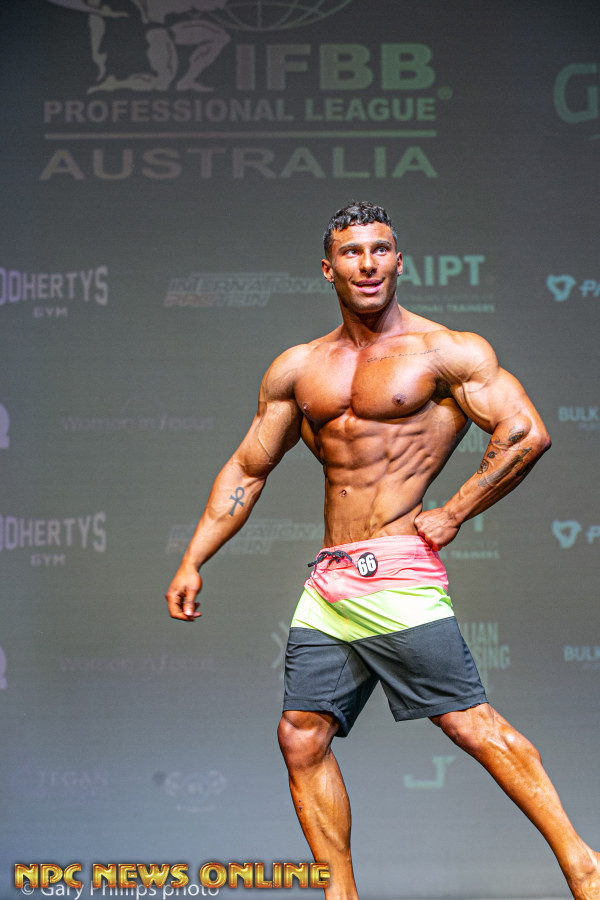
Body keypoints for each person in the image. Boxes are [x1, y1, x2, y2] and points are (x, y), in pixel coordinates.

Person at [166, 201, 600, 899]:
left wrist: (454, 511)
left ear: (399, 261)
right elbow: (248, 468)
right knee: (301, 735)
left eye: (379, 250)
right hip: (330, 580)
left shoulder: (445, 351)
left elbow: (525, 431)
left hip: (395, 569)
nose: (366, 264)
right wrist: (194, 559)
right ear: (327, 268)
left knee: (469, 725)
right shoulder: (299, 367)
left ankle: (585, 866)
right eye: (351, 252)